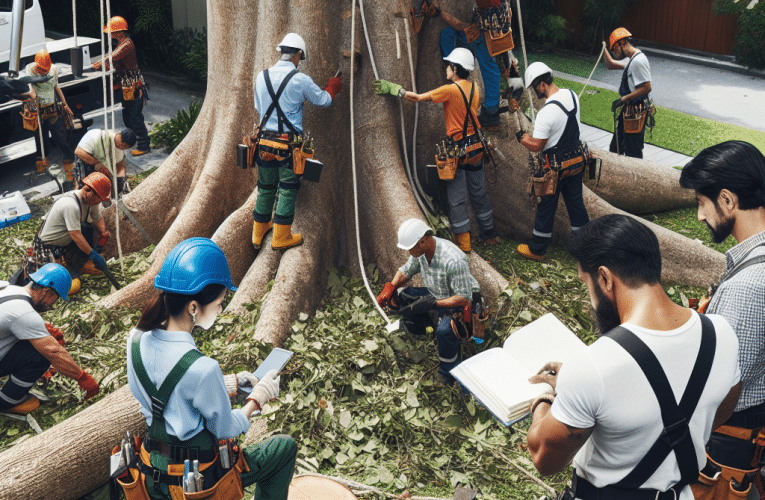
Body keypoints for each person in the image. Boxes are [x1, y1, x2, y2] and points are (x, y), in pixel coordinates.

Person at [526, 214, 741, 500]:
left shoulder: (593, 366)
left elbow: (544, 458)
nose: (590, 299)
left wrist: (544, 399)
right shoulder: (722, 334)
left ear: (604, 278)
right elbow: (720, 411)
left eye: (585, 284)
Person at [122, 237, 296, 499]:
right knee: (284, 448)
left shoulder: (135, 340)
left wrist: (230, 384)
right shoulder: (202, 368)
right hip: (195, 480)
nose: (221, 309)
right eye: (218, 304)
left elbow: (167, 391)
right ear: (193, 307)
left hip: (149, 472)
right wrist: (257, 399)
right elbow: (226, 428)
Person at [679, 140, 765, 498]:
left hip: (725, 446)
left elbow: (724, 390)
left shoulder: (748, 286)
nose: (700, 215)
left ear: (728, 200)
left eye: (702, 202)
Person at [373, 48, 500, 252]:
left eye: (449, 66)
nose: (446, 69)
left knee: (457, 195)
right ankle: (489, 234)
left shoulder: (449, 90)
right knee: (479, 192)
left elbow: (418, 98)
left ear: (456, 68)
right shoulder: (476, 88)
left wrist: (397, 90)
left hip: (458, 151)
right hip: (476, 148)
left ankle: (464, 242)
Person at [251, 33, 342, 251]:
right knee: (288, 188)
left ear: (281, 51)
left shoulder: (261, 76)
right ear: (298, 54)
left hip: (263, 144)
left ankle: (259, 231)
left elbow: (258, 108)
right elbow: (324, 101)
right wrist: (333, 86)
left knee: (265, 187)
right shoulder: (300, 80)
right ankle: (281, 236)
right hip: (288, 146)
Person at [376, 219, 481, 386]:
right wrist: (390, 287)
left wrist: (432, 304)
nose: (409, 252)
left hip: (462, 303)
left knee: (445, 331)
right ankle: (421, 328)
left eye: (411, 247)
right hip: (437, 294)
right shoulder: (422, 253)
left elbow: (464, 298)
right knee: (405, 296)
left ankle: (449, 371)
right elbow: (406, 270)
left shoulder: (453, 260)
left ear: (423, 241)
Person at [0, 264, 99, 414]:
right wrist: (82, 377)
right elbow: (54, 352)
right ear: (47, 292)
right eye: (54, 300)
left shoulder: (6, 288)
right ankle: (6, 402)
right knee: (40, 355)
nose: (51, 305)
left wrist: (41, 329)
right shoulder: (24, 313)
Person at [516, 62, 589, 261]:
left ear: (541, 85)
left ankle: (537, 249)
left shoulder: (546, 112)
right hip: (575, 163)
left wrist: (522, 138)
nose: (534, 93)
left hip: (555, 169)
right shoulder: (572, 95)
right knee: (576, 204)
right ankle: (584, 246)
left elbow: (537, 145)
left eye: (534, 88)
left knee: (546, 206)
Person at [34, 172, 112, 294]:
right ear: (88, 190)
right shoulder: (71, 205)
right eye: (98, 199)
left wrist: (103, 232)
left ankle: (79, 265)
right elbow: (75, 235)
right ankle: (58, 278)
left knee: (98, 269)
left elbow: (97, 218)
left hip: (67, 247)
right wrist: (93, 254)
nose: (99, 202)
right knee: (72, 287)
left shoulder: (91, 201)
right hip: (50, 248)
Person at [437, 0, 511, 129]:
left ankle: (491, 113)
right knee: (448, 35)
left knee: (488, 66)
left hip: (488, 25)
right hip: (486, 22)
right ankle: (456, 67)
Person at [92, 16, 151, 156]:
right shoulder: (120, 43)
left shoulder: (126, 45)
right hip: (126, 85)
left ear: (119, 32)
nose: (110, 34)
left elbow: (111, 57)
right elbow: (110, 57)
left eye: (112, 32)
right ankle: (135, 140)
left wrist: (96, 66)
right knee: (127, 117)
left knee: (135, 116)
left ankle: (144, 145)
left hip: (134, 85)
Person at [25, 49, 76, 190]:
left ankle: (70, 168)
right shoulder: (30, 69)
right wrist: (31, 92)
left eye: (45, 70)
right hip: (39, 111)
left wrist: (65, 104)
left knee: (61, 137)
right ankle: (42, 168)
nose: (44, 72)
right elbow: (30, 88)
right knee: (40, 139)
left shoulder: (53, 69)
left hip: (53, 109)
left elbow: (56, 86)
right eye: (42, 70)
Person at [604, 28, 652, 159]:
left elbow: (647, 87)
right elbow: (610, 64)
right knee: (615, 147)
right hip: (628, 110)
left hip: (636, 112)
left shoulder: (638, 61)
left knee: (633, 152)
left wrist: (624, 98)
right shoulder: (630, 59)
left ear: (623, 42)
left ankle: (636, 177)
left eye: (616, 49)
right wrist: (603, 48)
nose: (615, 53)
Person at [74, 128, 135, 197]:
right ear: (120, 138)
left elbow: (120, 166)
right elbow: (78, 152)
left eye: (125, 148)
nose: (123, 148)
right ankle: (80, 195)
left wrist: (120, 182)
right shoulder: (95, 136)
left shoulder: (120, 149)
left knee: (111, 181)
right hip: (86, 158)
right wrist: (98, 164)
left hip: (101, 162)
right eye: (124, 146)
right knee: (86, 186)